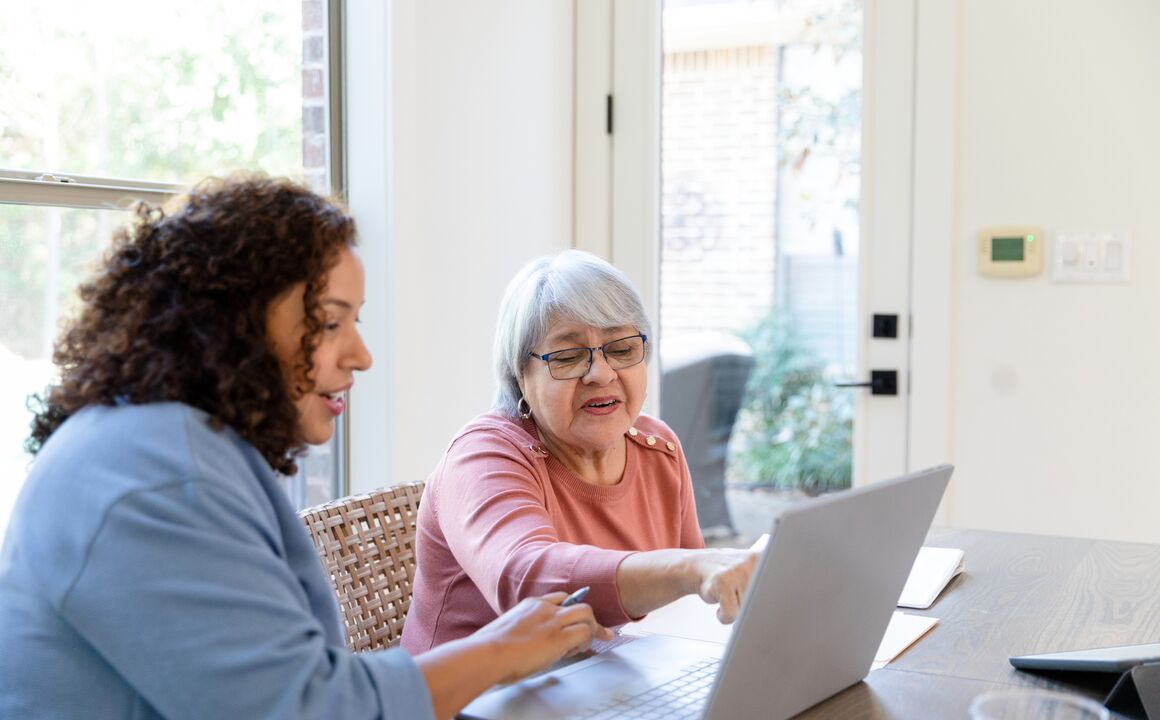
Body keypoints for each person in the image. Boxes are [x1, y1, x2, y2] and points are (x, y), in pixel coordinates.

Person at [0, 175, 608, 720]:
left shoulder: (174, 447)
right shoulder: (153, 480)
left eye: (356, 322)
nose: (360, 356)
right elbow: (307, 708)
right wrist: (504, 649)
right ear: (230, 322)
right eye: (328, 322)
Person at [401, 249, 758, 654]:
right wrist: (690, 569)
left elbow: (692, 607)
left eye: (622, 350)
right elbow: (527, 582)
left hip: (615, 687)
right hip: (477, 703)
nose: (601, 374)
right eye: (568, 357)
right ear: (521, 374)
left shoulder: (658, 449)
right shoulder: (482, 456)